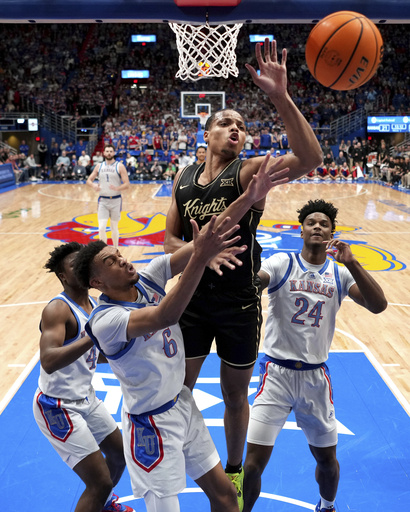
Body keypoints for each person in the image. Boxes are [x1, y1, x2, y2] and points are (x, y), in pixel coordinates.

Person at [74, 154, 290, 512]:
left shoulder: (148, 276)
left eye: (119, 253)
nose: (124, 259)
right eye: (112, 262)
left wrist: (249, 198)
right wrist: (200, 259)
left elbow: (210, 234)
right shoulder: (105, 320)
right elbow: (166, 314)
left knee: (224, 497)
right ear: (97, 283)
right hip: (151, 425)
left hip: (183, 407)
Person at [164, 38, 322, 510]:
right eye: (226, 123)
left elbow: (310, 158)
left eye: (241, 125)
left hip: (238, 304)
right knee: (180, 390)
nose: (236, 129)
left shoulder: (250, 171)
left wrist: (280, 95)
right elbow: (169, 243)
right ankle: (174, 461)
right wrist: (201, 253)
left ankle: (232, 471)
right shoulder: (184, 177)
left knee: (235, 392)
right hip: (190, 301)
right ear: (206, 134)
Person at [242, 199, 387, 512]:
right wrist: (248, 279)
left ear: (332, 231)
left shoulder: (339, 273)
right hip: (275, 375)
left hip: (315, 378)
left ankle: (327, 505)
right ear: (302, 229)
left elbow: (379, 305)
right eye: (312, 222)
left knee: (327, 461)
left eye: (324, 223)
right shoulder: (283, 262)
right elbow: (260, 280)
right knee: (252, 465)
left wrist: (353, 263)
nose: (318, 226)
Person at [32, 242, 134, 512]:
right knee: (98, 482)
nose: (80, 267)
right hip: (57, 406)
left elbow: (92, 352)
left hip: (85, 398)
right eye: (72, 265)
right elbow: (49, 360)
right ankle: (101, 497)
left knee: (119, 455)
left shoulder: (93, 304)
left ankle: (102, 505)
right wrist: (93, 337)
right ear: (63, 276)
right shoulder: (58, 309)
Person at [86, 144, 130, 249]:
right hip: (103, 201)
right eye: (107, 151)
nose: (109, 153)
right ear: (104, 153)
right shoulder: (99, 166)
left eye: (111, 151)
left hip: (116, 200)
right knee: (101, 228)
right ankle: (104, 249)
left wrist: (117, 188)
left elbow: (127, 184)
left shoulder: (119, 166)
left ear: (114, 153)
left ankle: (116, 249)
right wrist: (93, 185)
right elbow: (88, 180)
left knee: (114, 227)